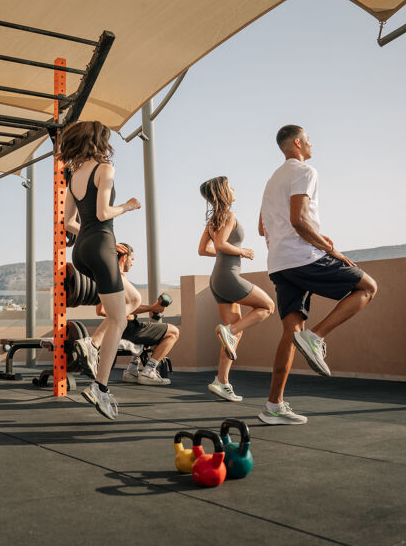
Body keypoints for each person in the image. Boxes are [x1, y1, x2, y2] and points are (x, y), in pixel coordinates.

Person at [257, 125, 378, 425]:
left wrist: (302, 240)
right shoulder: (305, 171)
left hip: (279, 264)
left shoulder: (272, 180)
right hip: (302, 257)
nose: (312, 144)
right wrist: (330, 249)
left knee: (291, 334)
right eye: (308, 139)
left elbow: (262, 228)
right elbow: (298, 220)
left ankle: (273, 406)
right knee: (367, 287)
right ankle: (316, 336)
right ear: (297, 143)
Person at [60, 121, 141, 419]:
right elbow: (103, 212)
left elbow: (68, 222)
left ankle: (93, 344)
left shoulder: (74, 176)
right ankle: (100, 387)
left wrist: (93, 237)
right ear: (98, 141)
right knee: (119, 319)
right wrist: (129, 206)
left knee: (127, 303)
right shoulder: (105, 169)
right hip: (100, 247)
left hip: (82, 249)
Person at [198, 176, 275, 402]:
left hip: (218, 279)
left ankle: (221, 382)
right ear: (223, 191)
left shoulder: (214, 219)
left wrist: (226, 252)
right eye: (230, 187)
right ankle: (229, 332)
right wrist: (242, 251)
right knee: (267, 306)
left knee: (235, 331)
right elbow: (220, 244)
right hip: (228, 277)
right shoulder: (228, 216)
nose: (234, 189)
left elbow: (204, 249)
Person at [78, 242, 179, 386]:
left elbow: (102, 310)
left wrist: (150, 308)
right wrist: (152, 307)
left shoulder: (108, 279)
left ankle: (132, 370)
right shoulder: (119, 279)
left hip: (123, 329)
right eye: (132, 259)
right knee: (173, 332)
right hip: (129, 329)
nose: (132, 263)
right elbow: (119, 307)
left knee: (149, 331)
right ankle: (148, 371)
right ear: (124, 258)